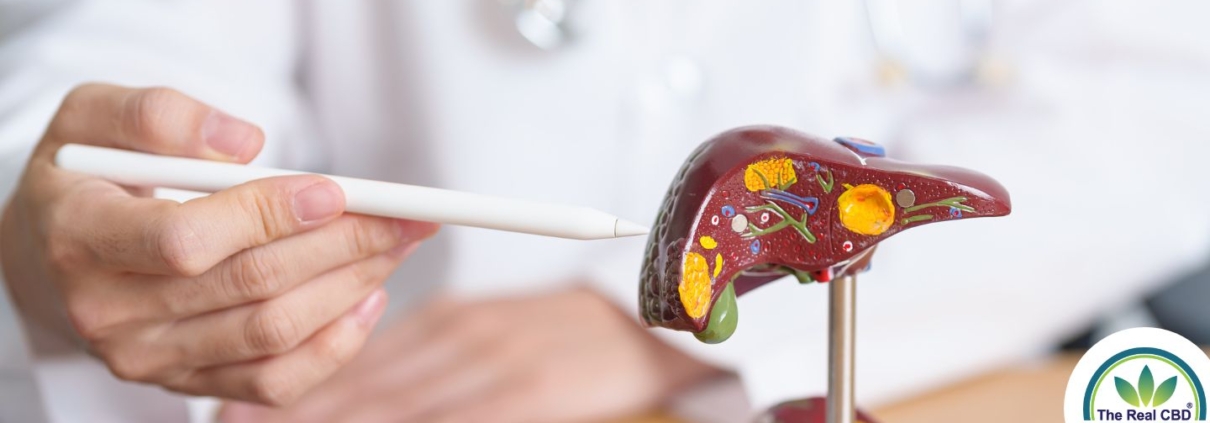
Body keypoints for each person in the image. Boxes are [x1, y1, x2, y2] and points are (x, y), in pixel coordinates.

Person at [2, 1, 1210, 422]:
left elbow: (1164, 107)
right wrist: (60, 216)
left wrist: (644, 321)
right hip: (393, 381)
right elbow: (122, 68)